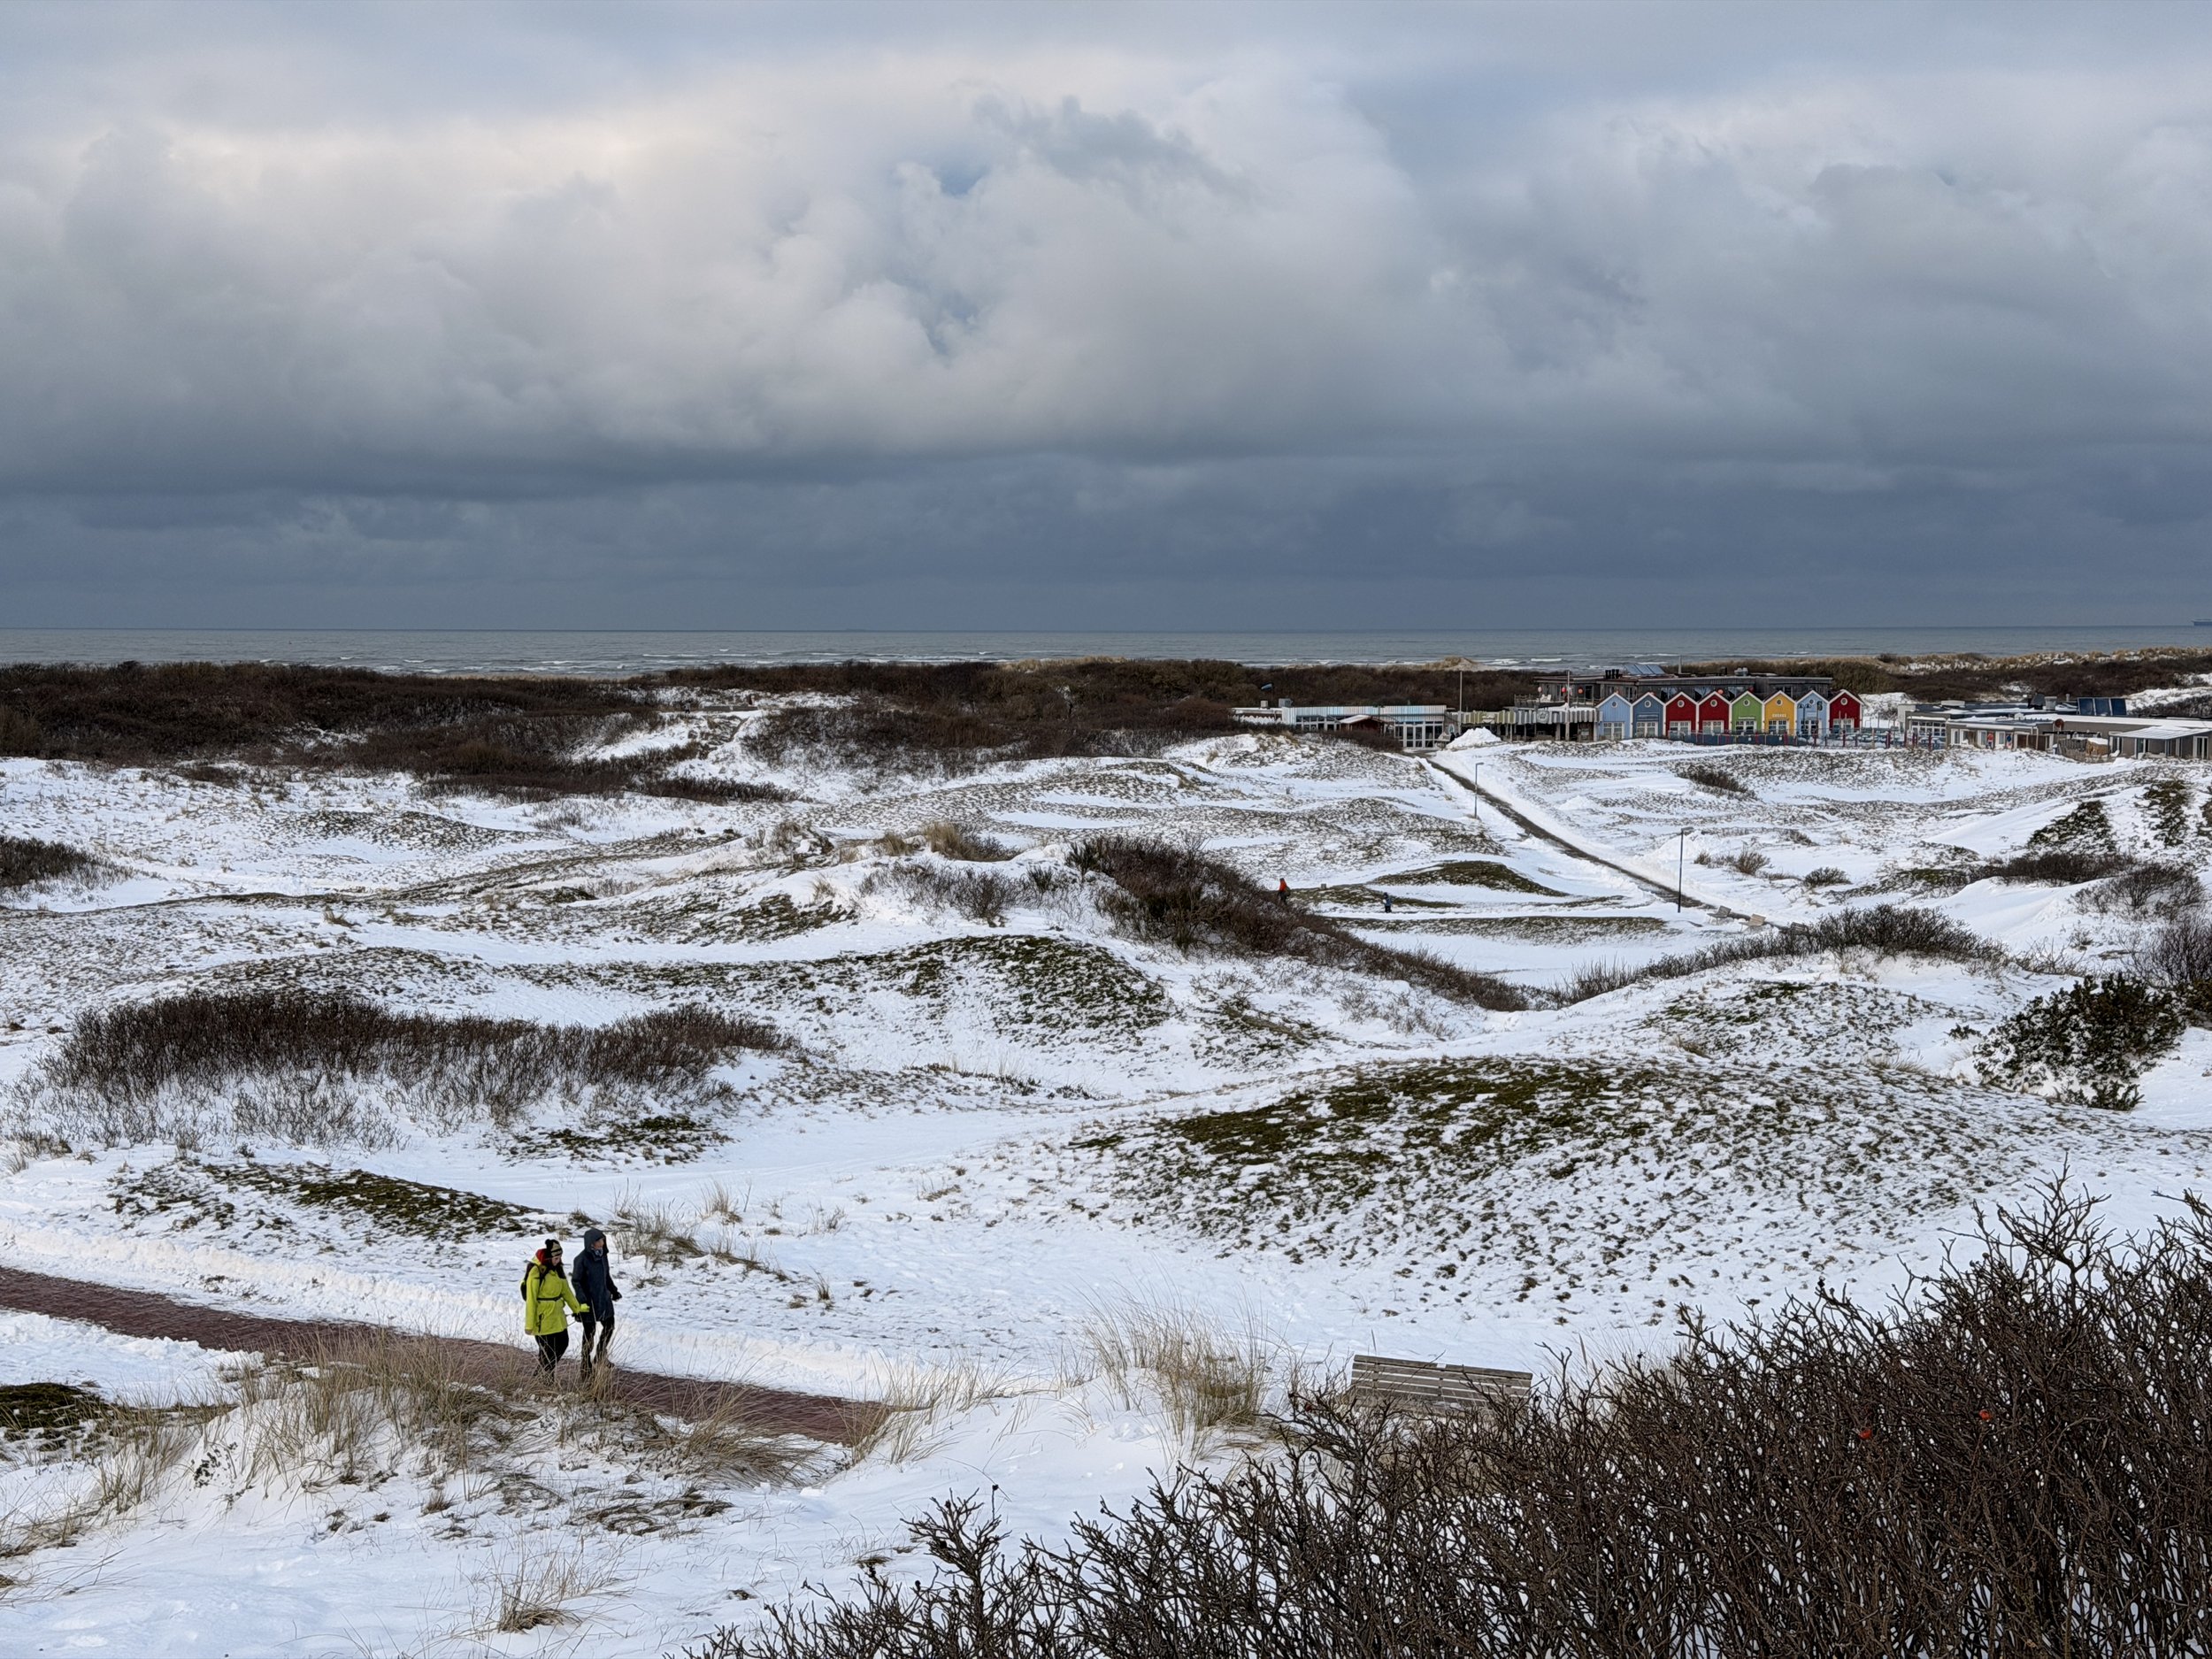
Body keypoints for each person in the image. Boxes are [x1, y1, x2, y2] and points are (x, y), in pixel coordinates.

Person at [520, 1237, 587, 1378]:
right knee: (547, 1351)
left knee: (562, 1344)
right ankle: (542, 1379)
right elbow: (531, 1299)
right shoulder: (537, 1272)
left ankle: (542, 1377)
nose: (558, 1260)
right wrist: (529, 1324)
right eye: (556, 1257)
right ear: (549, 1257)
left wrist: (577, 1310)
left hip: (557, 1317)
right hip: (542, 1319)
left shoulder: (558, 1271)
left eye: (560, 1257)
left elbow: (566, 1292)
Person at [570, 1226, 622, 1379]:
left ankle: (600, 1354)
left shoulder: (603, 1256)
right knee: (589, 1333)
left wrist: (613, 1290)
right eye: (600, 1240)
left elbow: (606, 1276)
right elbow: (576, 1281)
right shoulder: (581, 1259)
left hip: (603, 1299)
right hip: (589, 1302)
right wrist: (582, 1300)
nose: (603, 1242)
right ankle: (585, 1364)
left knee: (610, 1325)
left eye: (603, 1240)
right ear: (592, 1243)